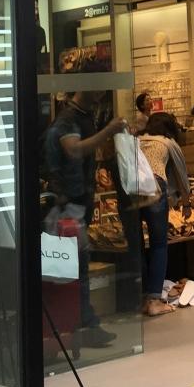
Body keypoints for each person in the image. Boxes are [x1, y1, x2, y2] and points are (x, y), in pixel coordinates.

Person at [44, 65, 128, 346]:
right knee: (71, 268)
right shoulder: (68, 119)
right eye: (99, 85)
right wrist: (109, 131)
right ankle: (82, 325)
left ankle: (78, 324)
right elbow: (74, 149)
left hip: (75, 202)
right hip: (67, 204)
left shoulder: (81, 115)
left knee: (73, 268)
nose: (103, 92)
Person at [137, 113, 192, 316]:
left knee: (137, 246)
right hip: (154, 186)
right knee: (159, 244)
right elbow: (182, 175)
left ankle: (141, 297)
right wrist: (186, 204)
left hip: (131, 190)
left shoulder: (137, 139)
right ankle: (154, 300)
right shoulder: (167, 142)